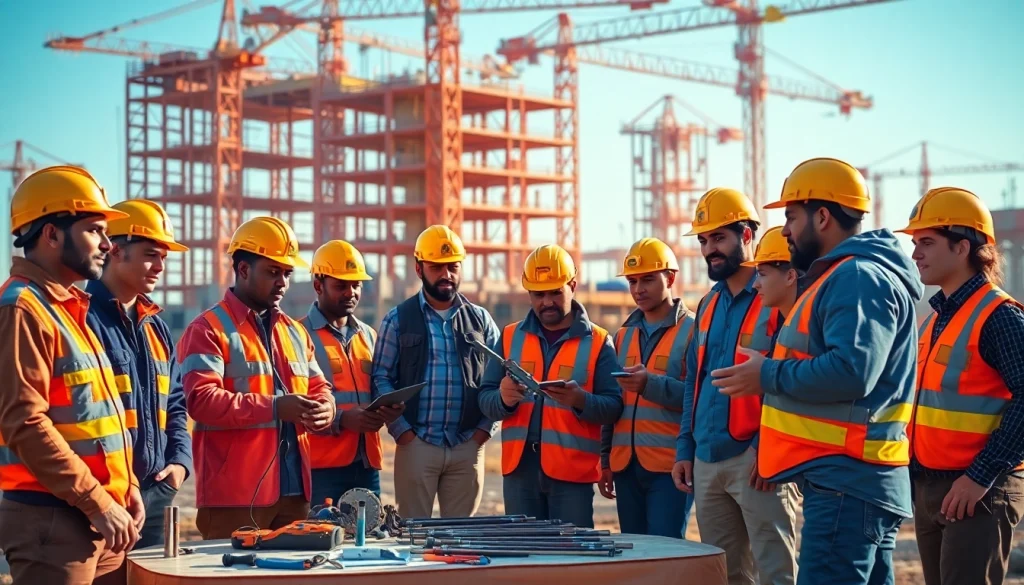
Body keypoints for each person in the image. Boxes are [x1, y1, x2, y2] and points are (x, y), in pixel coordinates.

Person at [712, 158, 924, 585]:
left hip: (850, 482)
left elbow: (853, 371)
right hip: (853, 481)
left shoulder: (858, 277)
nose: (786, 230)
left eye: (791, 216)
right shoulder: (843, 276)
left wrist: (767, 375)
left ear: (823, 216)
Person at [0, 166, 143, 585]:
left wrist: (126, 485)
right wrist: (97, 501)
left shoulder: (68, 308)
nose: (106, 244)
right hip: (53, 521)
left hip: (100, 518)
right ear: (51, 234)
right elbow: (24, 423)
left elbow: (92, 417)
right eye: (95, 230)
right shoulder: (22, 309)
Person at [178, 216, 335, 539]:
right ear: (243, 270)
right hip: (235, 496)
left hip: (294, 494)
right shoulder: (207, 330)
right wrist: (276, 407)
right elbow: (201, 401)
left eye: (287, 274)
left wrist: (326, 408)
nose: (282, 283)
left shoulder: (295, 332)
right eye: (273, 272)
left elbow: (320, 386)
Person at [672, 187, 800, 585]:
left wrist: (769, 450)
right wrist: (685, 447)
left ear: (747, 236)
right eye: (704, 240)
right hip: (708, 461)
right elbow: (696, 382)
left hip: (757, 461)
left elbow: (793, 380)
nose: (710, 249)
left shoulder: (778, 297)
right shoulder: (707, 305)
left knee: (776, 573)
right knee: (726, 576)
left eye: (720, 238)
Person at [897, 187, 1024, 585]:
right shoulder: (935, 320)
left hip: (978, 491)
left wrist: (979, 477)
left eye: (927, 243)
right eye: (915, 243)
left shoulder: (999, 316)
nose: (915, 253)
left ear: (962, 247)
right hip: (931, 486)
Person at [478, 244, 624, 528]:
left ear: (572, 285)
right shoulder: (509, 337)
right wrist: (503, 399)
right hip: (520, 474)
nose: (546, 302)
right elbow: (485, 399)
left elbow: (613, 407)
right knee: (524, 559)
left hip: (572, 477)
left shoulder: (598, 341)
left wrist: (580, 400)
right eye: (538, 294)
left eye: (555, 292)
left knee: (571, 563)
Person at [371, 225, 500, 519]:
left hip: (467, 446)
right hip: (417, 445)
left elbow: (499, 377)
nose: (446, 275)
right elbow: (380, 377)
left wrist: (483, 432)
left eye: (453, 267)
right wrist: (402, 433)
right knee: (414, 537)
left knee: (459, 540)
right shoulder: (398, 319)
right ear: (419, 268)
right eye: (436, 267)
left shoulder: (480, 320)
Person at [85, 199, 193, 550]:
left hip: (158, 490)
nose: (160, 266)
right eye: (151, 254)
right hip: (104, 498)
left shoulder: (156, 327)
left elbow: (175, 403)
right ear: (115, 250)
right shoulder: (83, 320)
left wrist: (179, 464)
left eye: (164, 257)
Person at [598, 237, 696, 538]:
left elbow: (698, 398)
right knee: (636, 554)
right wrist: (605, 461)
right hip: (626, 466)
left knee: (665, 555)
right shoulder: (623, 335)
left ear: (671, 278)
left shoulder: (694, 330)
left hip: (670, 468)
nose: (639, 289)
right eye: (633, 281)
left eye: (648, 280)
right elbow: (614, 403)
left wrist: (649, 385)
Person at [299, 240, 404, 506]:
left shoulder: (369, 336)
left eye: (356, 285)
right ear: (318, 285)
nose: (351, 293)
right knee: (323, 541)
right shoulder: (297, 336)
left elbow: (379, 387)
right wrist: (342, 420)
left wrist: (389, 407)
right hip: (321, 468)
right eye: (341, 286)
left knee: (367, 542)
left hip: (366, 464)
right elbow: (295, 404)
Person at [743, 226, 800, 331]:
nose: (755, 284)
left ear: (790, 277)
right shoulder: (784, 327)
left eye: (762, 274)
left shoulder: (813, 328)